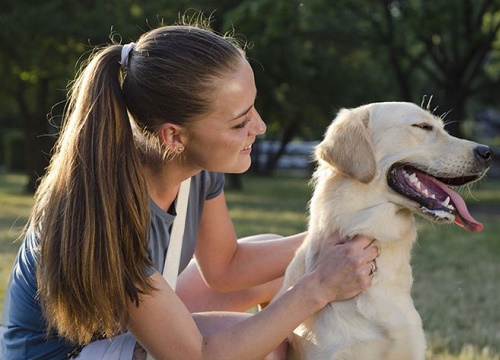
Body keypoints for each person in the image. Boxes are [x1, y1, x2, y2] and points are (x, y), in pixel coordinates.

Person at [1, 20, 379, 360]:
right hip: (65, 355)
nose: (260, 127)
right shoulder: (104, 213)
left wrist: (331, 240)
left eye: (253, 109)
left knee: (278, 271)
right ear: (174, 136)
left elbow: (225, 267)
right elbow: (195, 356)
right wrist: (318, 285)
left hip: (117, 330)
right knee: (264, 347)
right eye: (238, 123)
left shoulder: (192, 168)